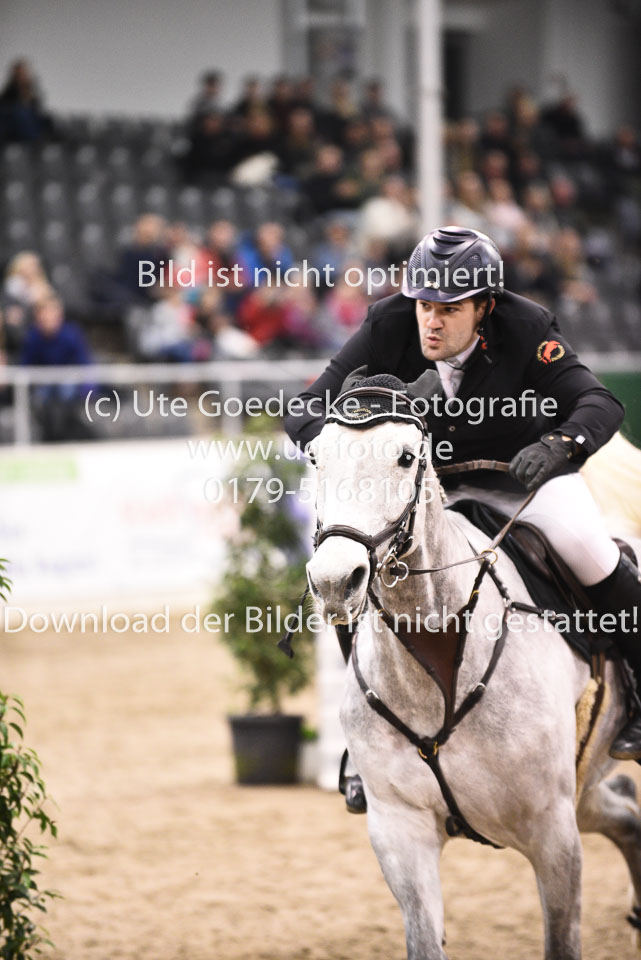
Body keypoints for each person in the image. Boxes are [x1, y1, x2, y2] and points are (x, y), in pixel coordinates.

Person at [284, 225, 641, 811]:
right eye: (424, 305)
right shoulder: (387, 324)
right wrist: (339, 445)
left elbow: (600, 401)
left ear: (485, 307)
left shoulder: (526, 326)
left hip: (524, 481)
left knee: (587, 548)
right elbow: (305, 407)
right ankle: (364, 737)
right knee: (359, 564)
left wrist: (559, 444)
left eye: (449, 309)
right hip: (435, 490)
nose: (431, 321)